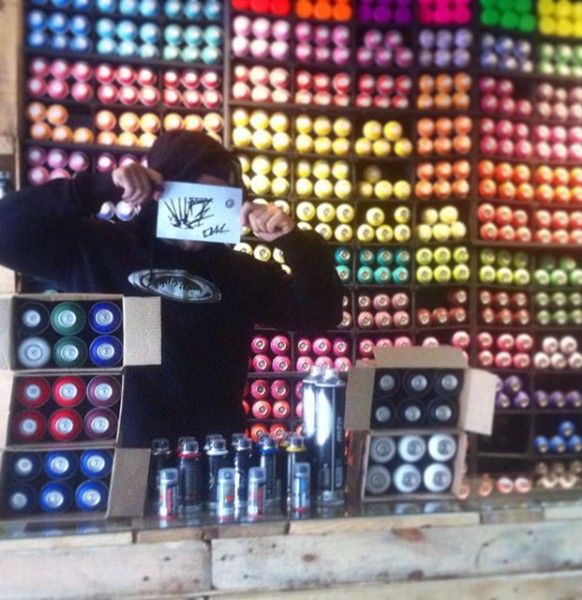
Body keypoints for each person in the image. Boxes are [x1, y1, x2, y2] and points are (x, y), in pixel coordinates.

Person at [0, 131, 344, 448]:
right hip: (110, 460)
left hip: (210, 459)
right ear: (157, 189)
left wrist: (295, 243)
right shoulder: (97, 248)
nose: (202, 211)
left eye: (218, 199)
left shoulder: (239, 272)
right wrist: (95, 188)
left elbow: (321, 315)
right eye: (194, 194)